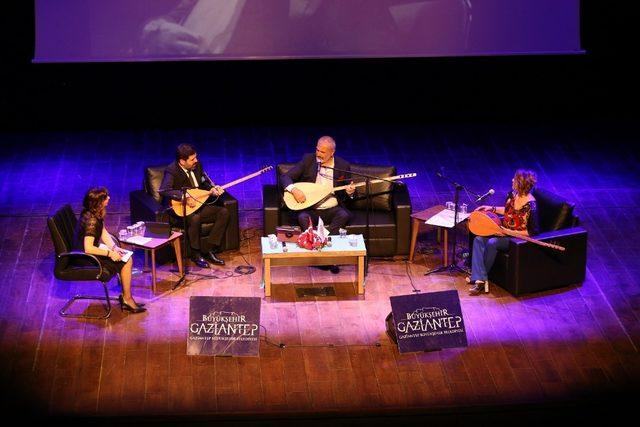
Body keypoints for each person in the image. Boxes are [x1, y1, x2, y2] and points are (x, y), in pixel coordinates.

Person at [280, 136, 356, 273]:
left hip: (332, 208)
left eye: (323, 152)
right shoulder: (308, 160)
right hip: (311, 209)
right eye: (317, 150)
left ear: (332, 152)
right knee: (302, 217)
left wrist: (350, 192)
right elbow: (285, 177)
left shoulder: (343, 166)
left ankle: (323, 248)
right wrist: (294, 190)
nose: (318, 154)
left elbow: (347, 193)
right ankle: (319, 252)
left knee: (344, 215)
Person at [73, 187, 146, 313]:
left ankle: (126, 297)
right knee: (126, 261)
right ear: (98, 202)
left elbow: (103, 232)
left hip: (89, 252)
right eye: (105, 197)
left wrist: (114, 247)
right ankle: (127, 299)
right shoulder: (91, 220)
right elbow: (88, 248)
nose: (109, 198)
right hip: (85, 258)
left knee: (125, 256)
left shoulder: (93, 212)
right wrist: (110, 253)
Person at [467, 169, 540, 296]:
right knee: (478, 239)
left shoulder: (531, 205)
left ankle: (480, 281)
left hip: (516, 238)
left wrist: (508, 231)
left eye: (515, 179)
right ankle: (479, 277)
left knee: (493, 242)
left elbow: (532, 232)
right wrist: (492, 208)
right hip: (502, 231)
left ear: (521, 183)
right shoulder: (512, 194)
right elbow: (507, 211)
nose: (512, 180)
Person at [159, 143, 229, 268]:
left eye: (195, 157)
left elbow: (204, 183)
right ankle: (196, 254)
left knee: (223, 212)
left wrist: (212, 188)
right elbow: (164, 190)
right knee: (195, 218)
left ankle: (208, 250)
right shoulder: (172, 170)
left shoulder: (198, 166)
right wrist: (184, 196)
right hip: (181, 210)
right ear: (182, 161)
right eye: (192, 159)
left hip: (199, 205)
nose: (196, 160)